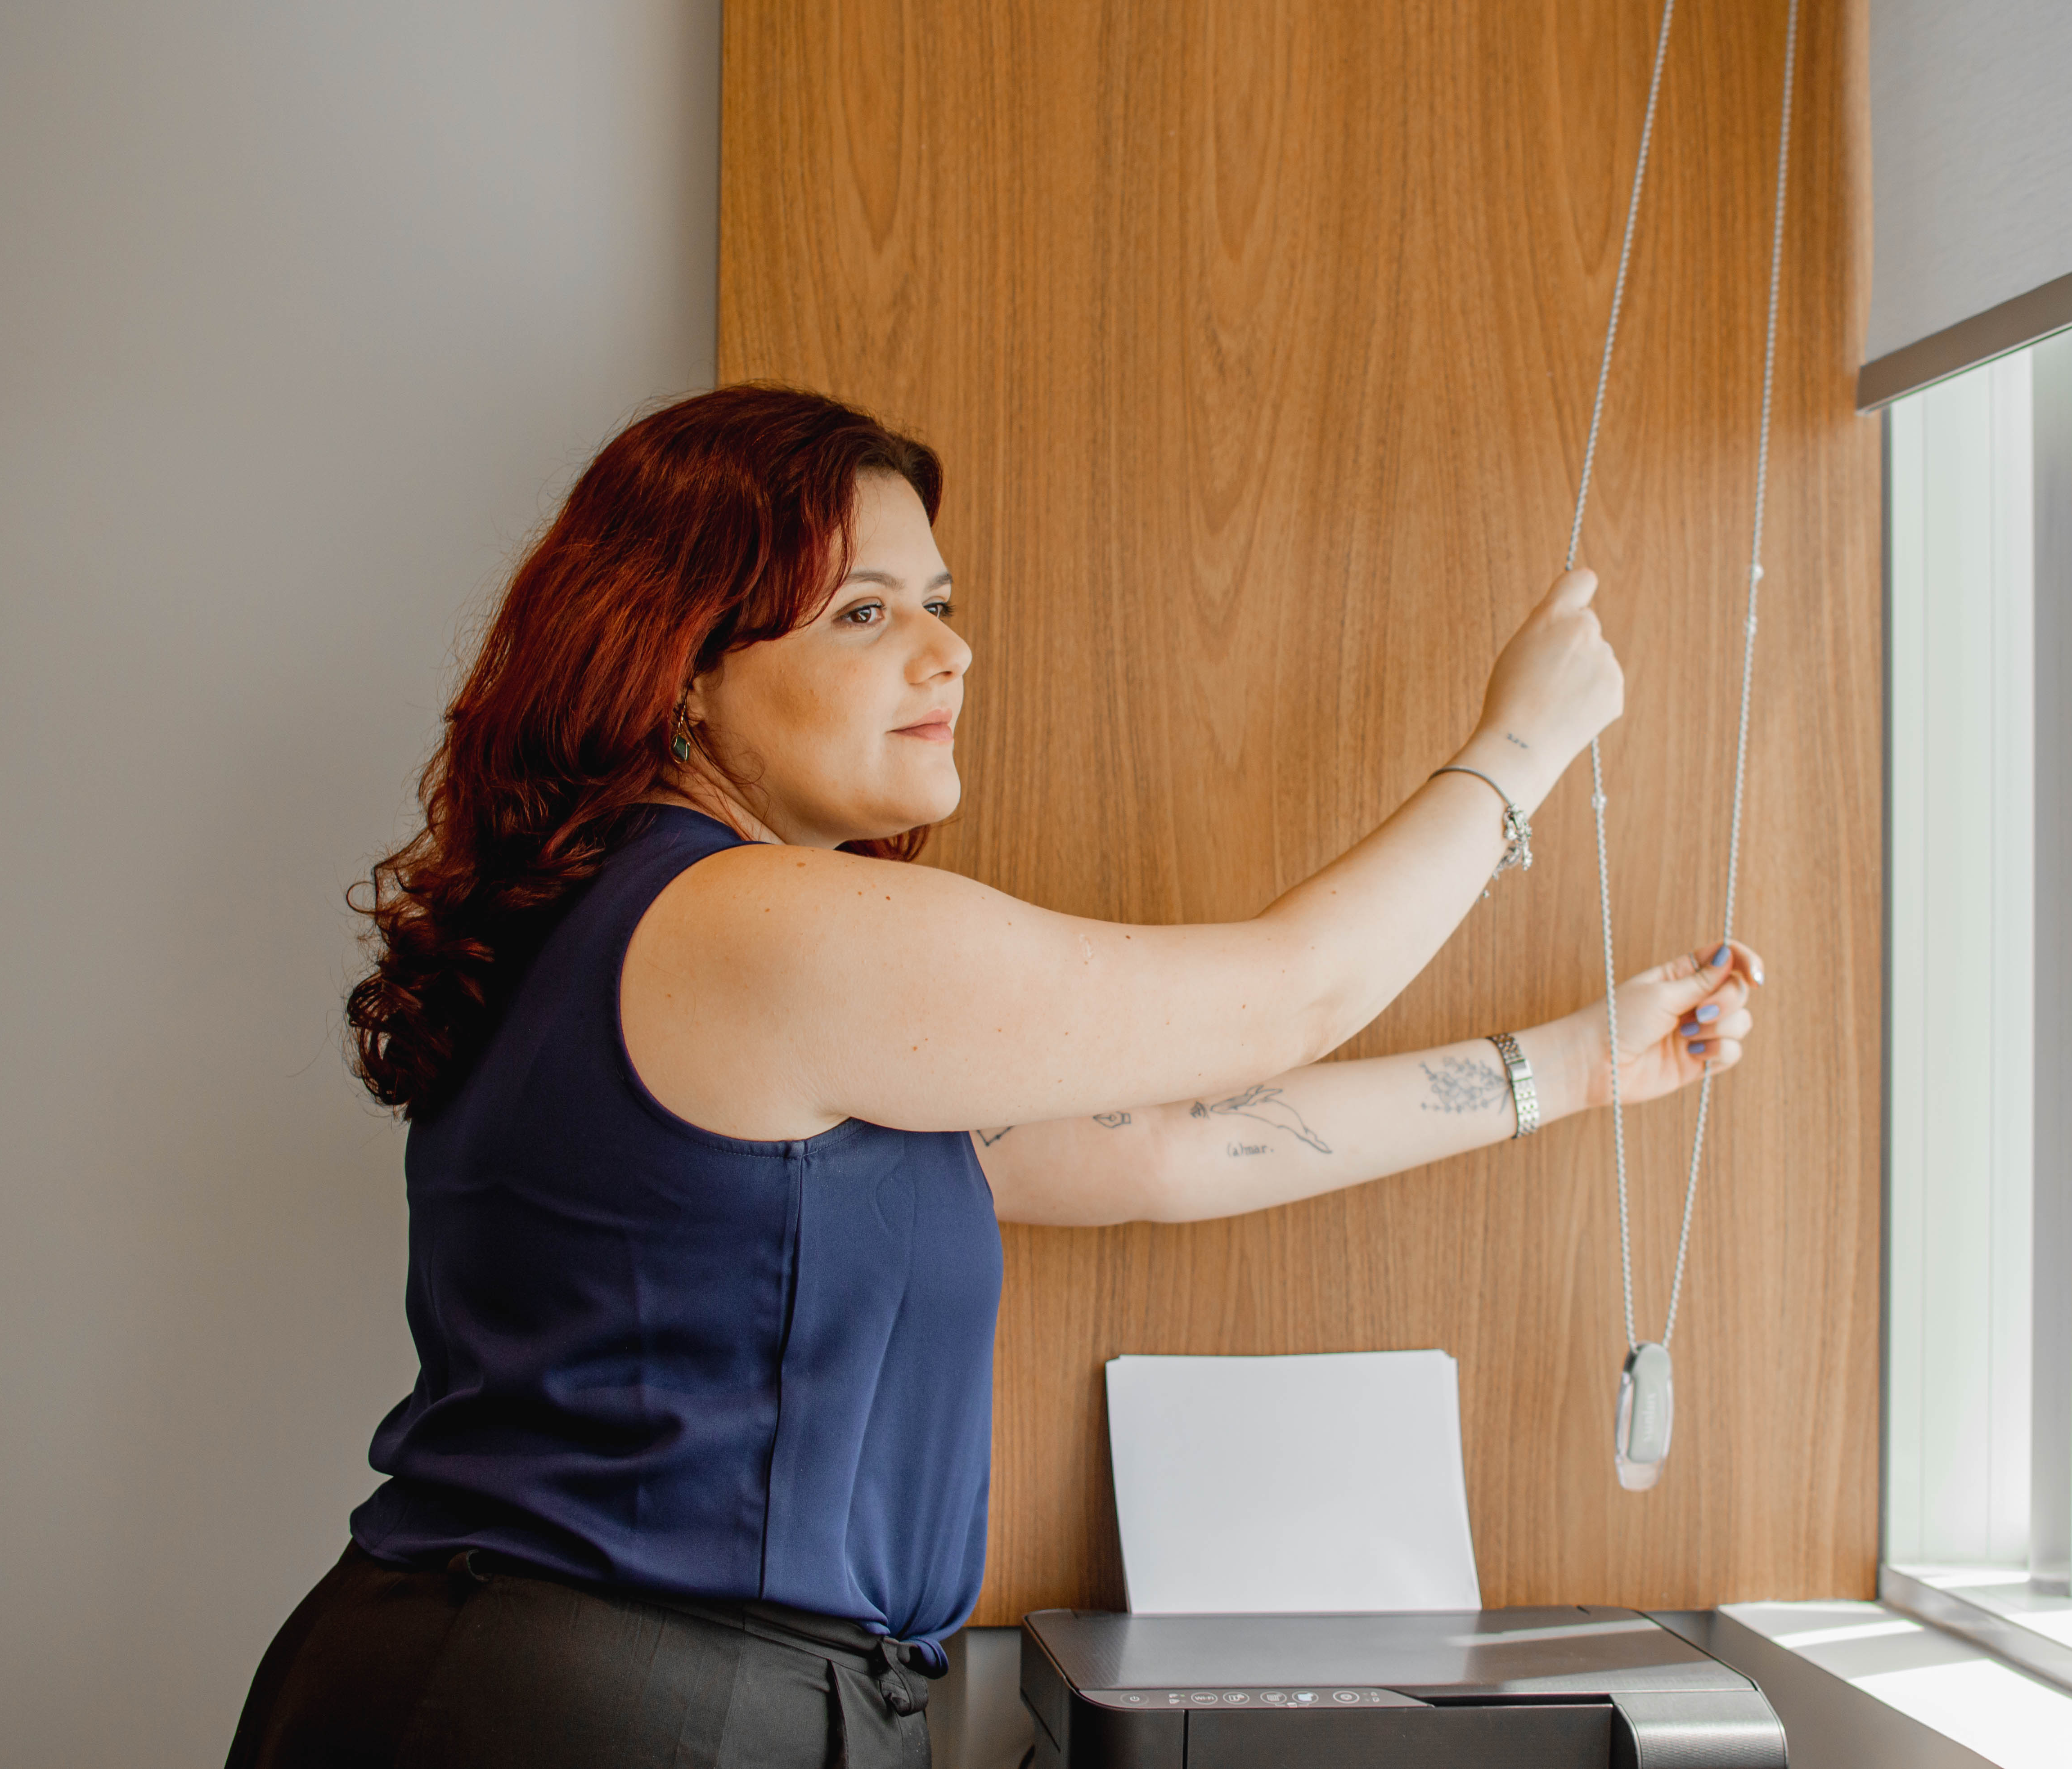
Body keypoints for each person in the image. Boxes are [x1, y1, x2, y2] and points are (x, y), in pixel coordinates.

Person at [225, 384, 1760, 1768]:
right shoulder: (760, 927)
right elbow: (1289, 990)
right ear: (680, 668)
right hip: (626, 1708)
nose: (947, 649)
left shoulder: (649, 932)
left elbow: (1161, 1146)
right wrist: (1519, 744)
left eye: (941, 603)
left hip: (498, 1674)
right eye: (863, 612)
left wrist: (1570, 1067)